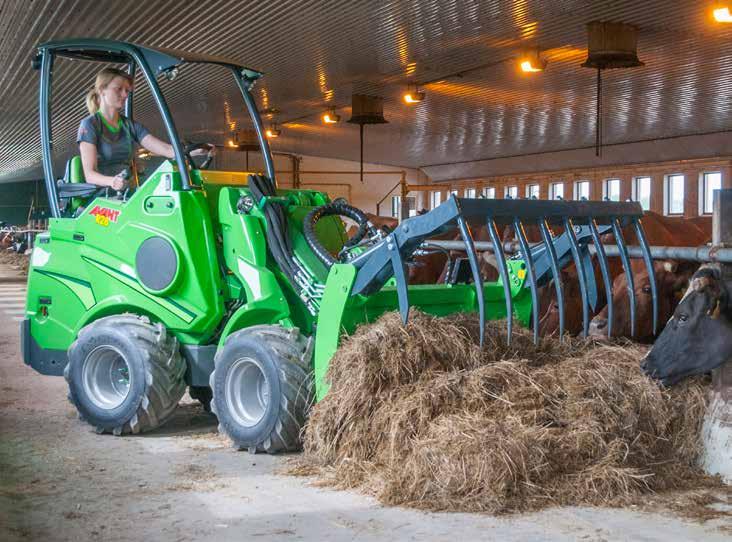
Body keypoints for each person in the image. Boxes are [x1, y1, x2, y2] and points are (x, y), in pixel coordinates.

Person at [77, 67, 210, 191]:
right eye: (119, 89)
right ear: (102, 90)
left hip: (126, 192)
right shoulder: (90, 125)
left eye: (127, 91)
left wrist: (196, 151)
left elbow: (167, 150)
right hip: (100, 197)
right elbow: (90, 175)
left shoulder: (129, 125)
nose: (124, 95)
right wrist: (112, 181)